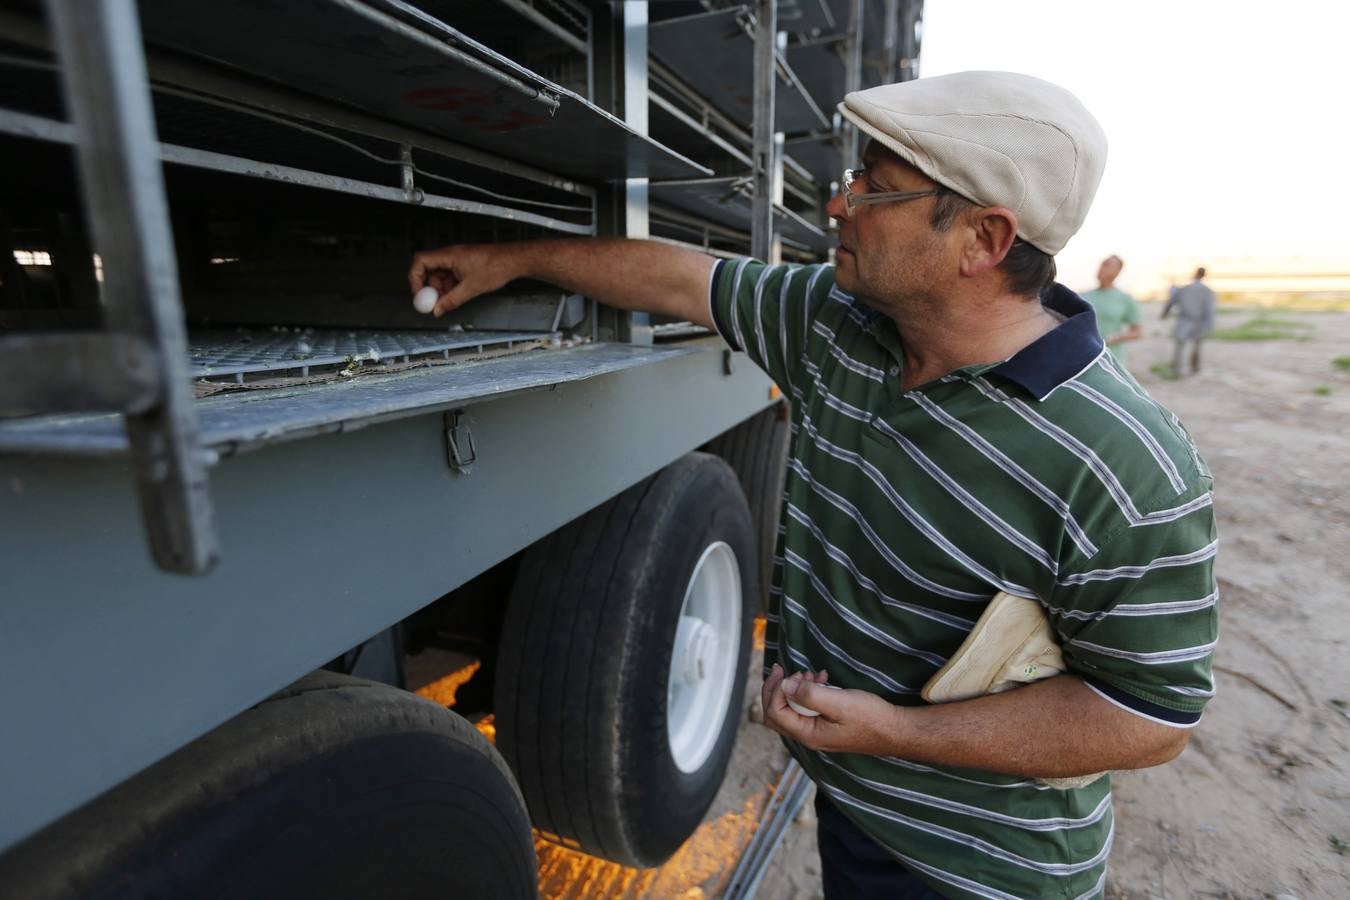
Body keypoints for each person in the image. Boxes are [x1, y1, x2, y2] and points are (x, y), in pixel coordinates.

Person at [408, 71, 1218, 900]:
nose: (840, 207)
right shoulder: (838, 327)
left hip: (975, 869)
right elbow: (683, 279)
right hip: (855, 801)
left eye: (875, 187)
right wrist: (509, 259)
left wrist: (896, 733)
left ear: (982, 238)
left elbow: (1146, 718)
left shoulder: (1123, 465)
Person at [1081, 255, 1142, 363]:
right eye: (1101, 264)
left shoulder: (1125, 298)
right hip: (1084, 358)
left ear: (1117, 271)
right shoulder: (1082, 296)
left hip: (1112, 360)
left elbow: (1137, 332)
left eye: (1107, 265)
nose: (1101, 268)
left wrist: (1114, 338)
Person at [1163, 267, 1217, 376]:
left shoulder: (1184, 289)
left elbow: (1171, 301)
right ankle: (1194, 368)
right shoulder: (1207, 291)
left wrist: (1165, 314)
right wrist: (1209, 324)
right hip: (1199, 321)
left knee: (1180, 345)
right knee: (1196, 345)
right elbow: (1209, 309)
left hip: (1185, 320)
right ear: (1204, 276)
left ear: (1195, 274)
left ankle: (1177, 370)